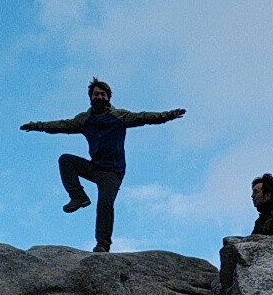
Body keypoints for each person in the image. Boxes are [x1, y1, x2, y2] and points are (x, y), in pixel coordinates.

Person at [21, 79, 185, 253]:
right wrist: (38, 126)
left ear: (108, 97)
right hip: (95, 167)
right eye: (96, 94)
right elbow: (61, 125)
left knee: (105, 204)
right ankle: (78, 196)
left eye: (103, 94)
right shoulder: (84, 119)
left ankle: (103, 244)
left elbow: (143, 117)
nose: (99, 97)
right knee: (66, 160)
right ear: (90, 97)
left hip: (112, 172)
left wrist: (167, 115)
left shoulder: (119, 116)